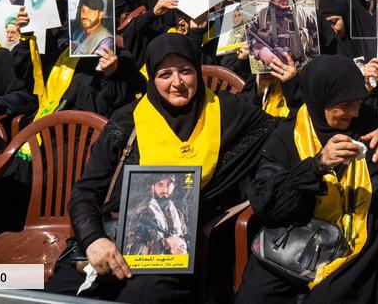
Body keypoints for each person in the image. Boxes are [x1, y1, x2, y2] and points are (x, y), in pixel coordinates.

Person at [51, 34, 276, 301]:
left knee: (142, 296)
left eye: (185, 72)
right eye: (165, 74)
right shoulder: (127, 122)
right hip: (112, 240)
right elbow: (85, 192)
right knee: (55, 295)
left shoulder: (228, 113)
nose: (177, 83)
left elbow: (280, 131)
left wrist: (292, 85)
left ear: (197, 71)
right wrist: (93, 240)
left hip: (175, 255)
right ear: (152, 78)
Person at [237, 55, 378, 303]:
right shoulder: (287, 135)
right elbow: (266, 203)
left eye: (358, 101)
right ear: (319, 99)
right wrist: (316, 165)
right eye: (345, 105)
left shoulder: (370, 121)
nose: (354, 112)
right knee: (254, 296)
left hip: (356, 240)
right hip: (293, 241)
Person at [248, 0, 318, 69]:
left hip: (302, 68)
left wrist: (313, 62)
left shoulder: (305, 15)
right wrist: (260, 50)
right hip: (271, 69)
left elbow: (317, 40)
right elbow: (248, 36)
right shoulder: (260, 16)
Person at [123, 173, 188, 257]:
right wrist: (165, 243)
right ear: (153, 187)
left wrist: (183, 247)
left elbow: (187, 238)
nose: (165, 189)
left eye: (169, 185)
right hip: (153, 267)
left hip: (179, 265)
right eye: (160, 185)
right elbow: (131, 250)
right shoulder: (143, 213)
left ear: (174, 187)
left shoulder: (178, 214)